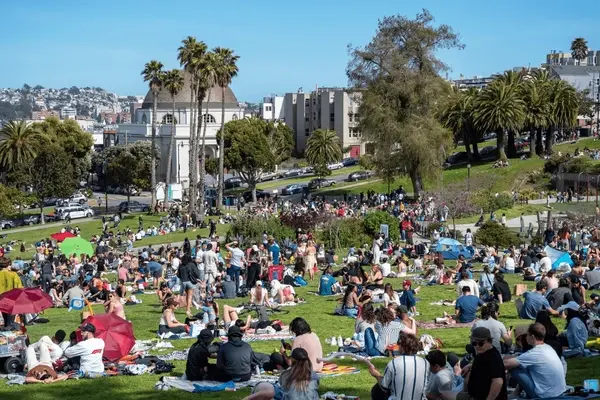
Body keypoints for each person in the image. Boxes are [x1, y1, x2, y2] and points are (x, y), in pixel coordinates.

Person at [504, 323, 567, 399]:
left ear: (532, 337)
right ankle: (516, 393)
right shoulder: (548, 348)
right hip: (558, 392)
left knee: (514, 368)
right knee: (522, 365)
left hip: (544, 396)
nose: (526, 337)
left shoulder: (534, 353)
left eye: (527, 335)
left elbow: (506, 364)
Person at [368, 334, 430, 400]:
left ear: (403, 347)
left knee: (377, 390)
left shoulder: (394, 363)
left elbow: (384, 388)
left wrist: (377, 375)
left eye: (399, 344)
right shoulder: (426, 363)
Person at [450, 327, 506, 400]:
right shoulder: (483, 352)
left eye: (480, 343)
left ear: (489, 341)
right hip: (474, 394)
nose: (477, 346)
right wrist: (470, 366)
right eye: (474, 343)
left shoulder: (493, 358)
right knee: (443, 394)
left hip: (481, 397)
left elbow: (498, 382)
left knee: (443, 395)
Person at [245, 348, 319, 400]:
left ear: (292, 359)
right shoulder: (314, 376)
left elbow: (281, 389)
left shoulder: (286, 374)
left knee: (268, 389)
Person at [0, 256, 23, 327]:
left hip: (1, 300)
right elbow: (18, 288)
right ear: (8, 264)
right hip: (11, 301)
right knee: (11, 322)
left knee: (6, 320)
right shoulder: (13, 274)